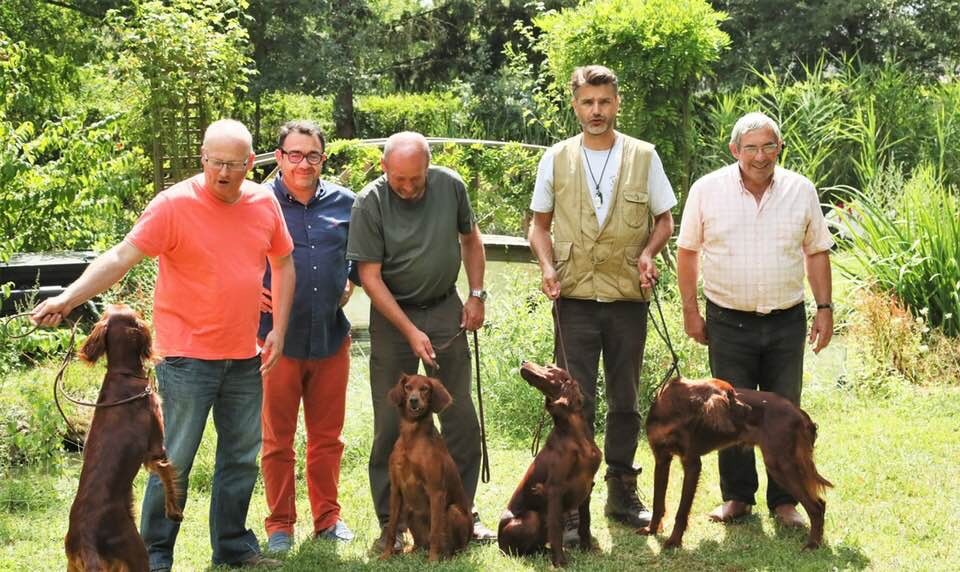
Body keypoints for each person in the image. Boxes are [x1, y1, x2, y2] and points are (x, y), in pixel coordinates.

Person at [31, 119, 295, 571]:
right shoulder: (173, 205)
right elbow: (120, 256)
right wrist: (68, 297)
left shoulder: (263, 201)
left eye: (233, 165)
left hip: (244, 356)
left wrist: (279, 329)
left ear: (251, 163)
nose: (223, 174)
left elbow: (284, 262)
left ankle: (233, 547)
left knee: (241, 459)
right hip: (186, 359)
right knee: (171, 462)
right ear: (202, 159)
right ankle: (154, 556)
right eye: (214, 163)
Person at [527, 64, 677, 534]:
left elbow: (664, 221)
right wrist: (548, 267)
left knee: (626, 400)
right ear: (575, 105)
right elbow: (538, 226)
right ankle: (572, 498)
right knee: (572, 399)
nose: (597, 111)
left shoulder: (644, 156)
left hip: (626, 298)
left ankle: (621, 491)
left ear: (617, 103)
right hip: (572, 297)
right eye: (588, 102)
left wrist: (650, 254)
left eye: (605, 102)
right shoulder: (555, 158)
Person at [676, 111, 834, 528]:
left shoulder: (801, 190)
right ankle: (737, 498)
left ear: (779, 148)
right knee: (728, 414)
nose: (760, 156)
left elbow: (816, 251)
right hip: (728, 320)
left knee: (784, 412)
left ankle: (785, 501)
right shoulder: (707, 190)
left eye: (768, 146)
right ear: (734, 151)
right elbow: (688, 251)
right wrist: (690, 310)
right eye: (751, 147)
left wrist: (824, 308)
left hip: (785, 321)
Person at [346, 131, 496, 549]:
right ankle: (389, 527)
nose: (409, 187)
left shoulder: (450, 186)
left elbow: (471, 239)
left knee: (460, 415)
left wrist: (477, 294)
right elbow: (369, 278)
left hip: (445, 308)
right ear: (384, 169)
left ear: (427, 167)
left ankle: (462, 512)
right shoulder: (369, 203)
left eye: (417, 178)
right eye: (400, 180)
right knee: (390, 418)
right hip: (393, 314)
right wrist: (410, 331)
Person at [257, 120, 357, 553]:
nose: (303, 163)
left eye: (312, 155)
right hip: (274, 342)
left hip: (331, 338)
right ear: (279, 158)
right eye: (294, 155)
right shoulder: (256, 203)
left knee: (327, 438)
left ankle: (327, 518)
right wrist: (246, 290)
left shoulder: (347, 203)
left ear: (323, 158)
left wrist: (351, 279)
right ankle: (280, 525)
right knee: (276, 441)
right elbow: (228, 257)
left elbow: (362, 257)